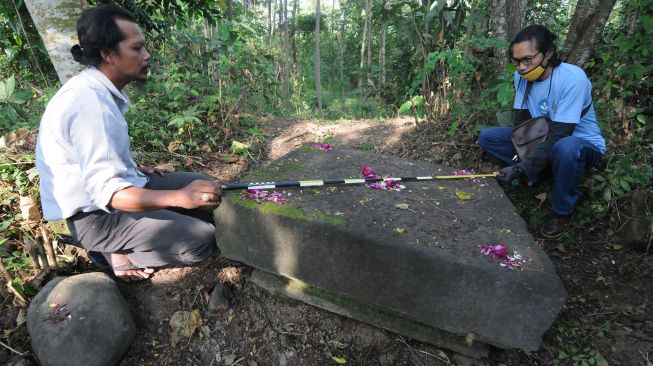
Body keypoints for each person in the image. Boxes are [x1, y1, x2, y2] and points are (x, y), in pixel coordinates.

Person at [35, 4, 222, 281]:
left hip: (118, 191)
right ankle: (112, 252)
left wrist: (134, 169)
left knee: (207, 189)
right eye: (137, 49)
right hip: (96, 217)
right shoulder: (90, 105)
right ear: (107, 54)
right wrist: (179, 198)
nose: (147, 56)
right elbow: (110, 194)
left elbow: (94, 162)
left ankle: (132, 232)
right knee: (201, 239)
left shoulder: (96, 91)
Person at [478, 24, 605, 239]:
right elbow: (523, 123)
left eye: (527, 59)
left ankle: (561, 211)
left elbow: (560, 134)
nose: (521, 67)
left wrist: (520, 168)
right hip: (544, 137)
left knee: (566, 148)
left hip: (578, 143)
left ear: (548, 53)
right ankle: (539, 174)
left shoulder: (573, 79)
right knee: (488, 137)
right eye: (516, 61)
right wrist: (522, 160)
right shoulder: (522, 77)